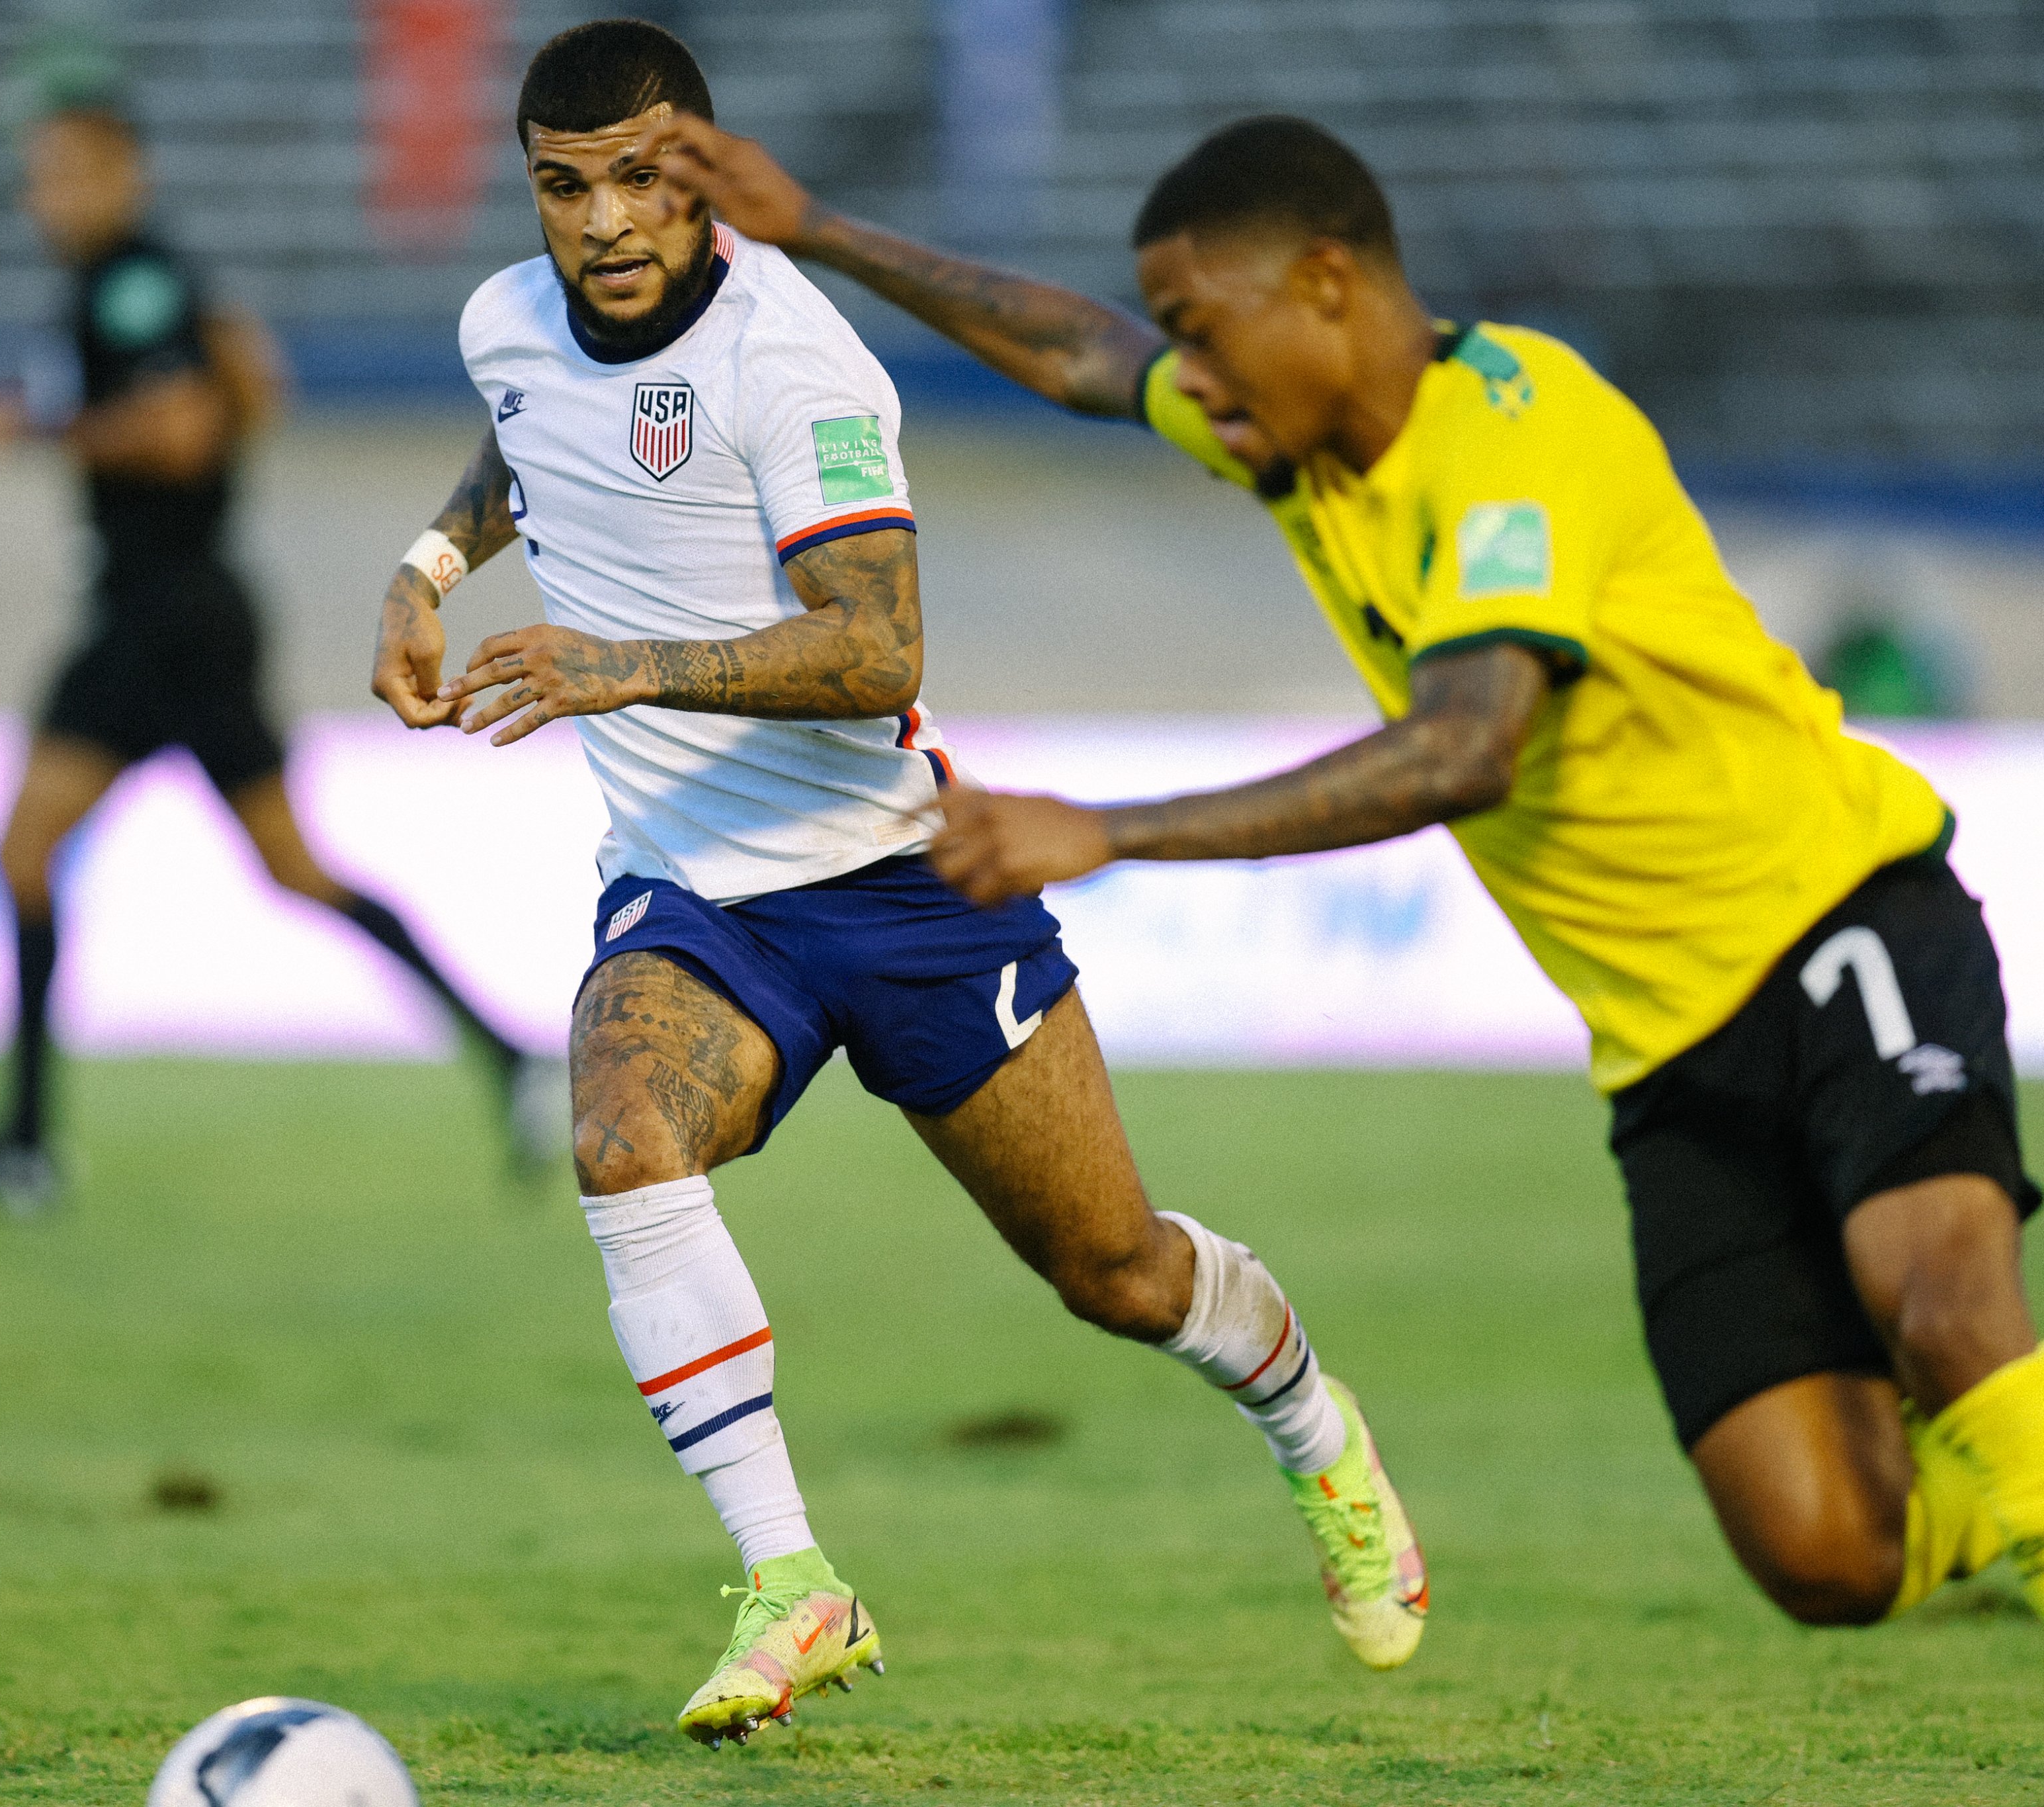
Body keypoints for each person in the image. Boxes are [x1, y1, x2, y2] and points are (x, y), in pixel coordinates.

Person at [644, 109, 2044, 1627]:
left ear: (1323, 284)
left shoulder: (1513, 434)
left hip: (1835, 919)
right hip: (1669, 1048)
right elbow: (1078, 357)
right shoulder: (1299, 440)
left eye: (1204, 328)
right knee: (1821, 1554)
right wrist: (821, 231)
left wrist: (1110, 830)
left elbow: (1463, 750)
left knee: (1941, 1298)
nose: (1189, 371)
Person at [371, 25, 1428, 1747]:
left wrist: (622, 659)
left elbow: (878, 648)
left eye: (642, 177)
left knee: (1119, 1274)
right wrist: (424, 569)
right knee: (624, 1131)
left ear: (704, 173)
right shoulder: (503, 319)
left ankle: (1320, 1436)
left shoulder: (797, 357)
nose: (604, 222)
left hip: (901, 883)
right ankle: (793, 1582)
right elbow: (527, 441)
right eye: (566, 187)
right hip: (694, 893)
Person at [0, 95, 554, 1213]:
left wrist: (42, 428)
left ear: (125, 172)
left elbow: (185, 428)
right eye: (39, 176)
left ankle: (26, 1147)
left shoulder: (130, 281)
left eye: (68, 173)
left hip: (158, 618)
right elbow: (256, 380)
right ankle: (511, 1061)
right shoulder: (150, 282)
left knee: (28, 852)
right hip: (187, 614)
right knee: (292, 870)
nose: (46, 198)